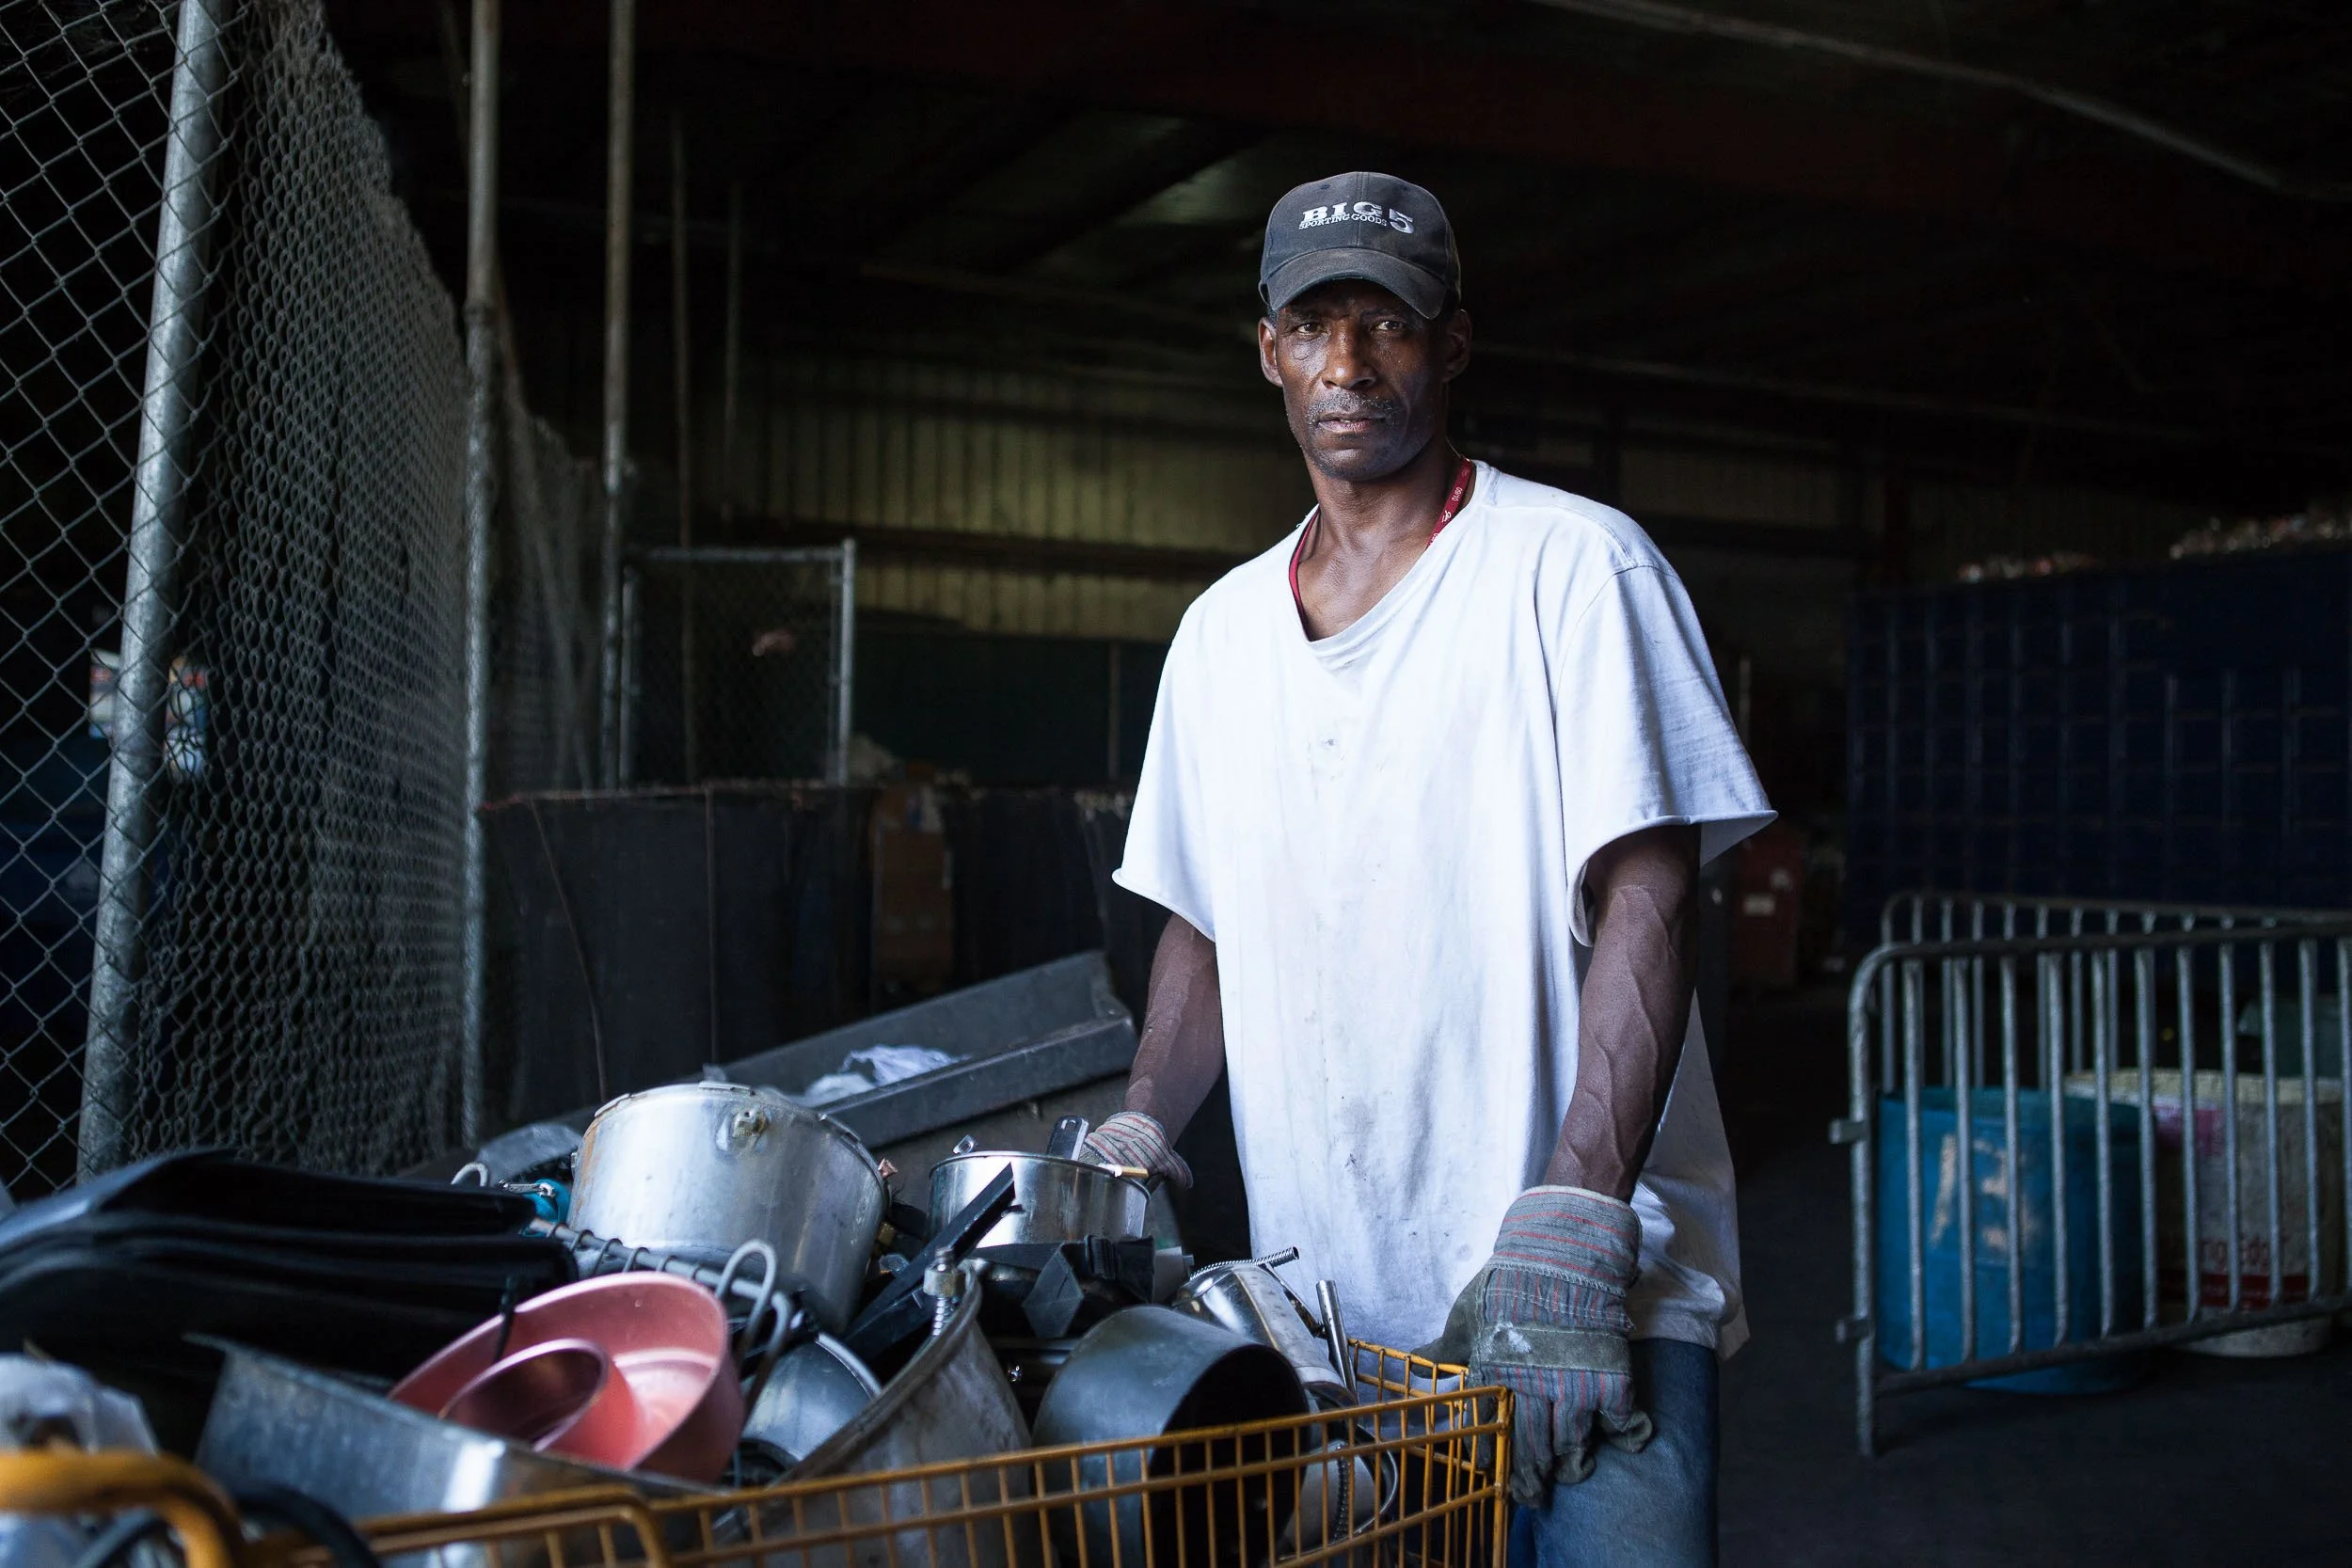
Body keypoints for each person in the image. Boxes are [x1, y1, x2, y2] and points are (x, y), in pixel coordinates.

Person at [1078, 172, 1772, 1568]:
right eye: (1314, 324)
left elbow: (1651, 892)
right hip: (1336, 1331)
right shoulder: (1218, 641)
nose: (1349, 362)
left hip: (1588, 1302)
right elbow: (1203, 931)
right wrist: (1143, 1128)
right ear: (1267, 347)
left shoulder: (1575, 570)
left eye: (1384, 323)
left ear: (1451, 342)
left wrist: (1576, 1214)